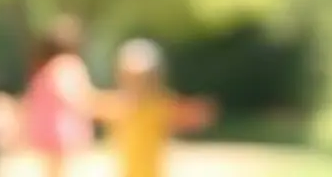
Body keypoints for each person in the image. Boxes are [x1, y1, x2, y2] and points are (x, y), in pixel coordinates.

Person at [94, 38, 215, 177]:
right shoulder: (116, 104)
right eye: (131, 76)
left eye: (141, 77)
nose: (137, 82)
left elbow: (191, 116)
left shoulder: (159, 104)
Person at [24, 15, 95, 177]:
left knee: (52, 171)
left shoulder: (43, 68)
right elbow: (72, 94)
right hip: (63, 129)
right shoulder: (67, 64)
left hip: (44, 129)